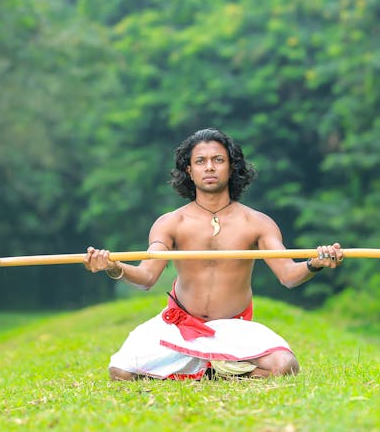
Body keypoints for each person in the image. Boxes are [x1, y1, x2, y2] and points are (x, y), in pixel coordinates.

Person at [84, 128, 344, 380]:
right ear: (190, 170)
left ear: (231, 167)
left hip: (234, 327)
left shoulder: (257, 222)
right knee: (121, 371)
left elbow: (288, 276)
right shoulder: (171, 222)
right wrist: (113, 266)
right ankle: (209, 370)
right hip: (180, 327)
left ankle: (215, 370)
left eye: (218, 160)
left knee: (285, 366)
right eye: (201, 161)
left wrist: (315, 263)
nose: (209, 167)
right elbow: (147, 277)